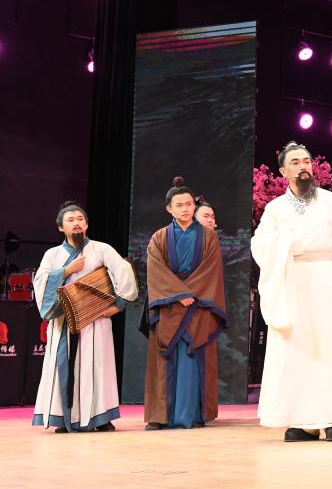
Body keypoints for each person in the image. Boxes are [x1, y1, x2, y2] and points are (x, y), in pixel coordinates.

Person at [252, 142, 332, 442]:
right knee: (294, 348)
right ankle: (301, 421)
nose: (303, 167)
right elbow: (259, 244)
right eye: (295, 162)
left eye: (307, 161)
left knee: (326, 345)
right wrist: (286, 243)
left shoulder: (331, 202)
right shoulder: (275, 209)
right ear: (283, 171)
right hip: (291, 278)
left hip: (324, 276)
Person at [32, 202, 138, 432]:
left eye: (80, 219)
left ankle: (101, 417)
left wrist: (119, 304)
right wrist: (66, 271)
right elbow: (40, 283)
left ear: (87, 224)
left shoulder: (101, 249)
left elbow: (123, 271)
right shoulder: (52, 255)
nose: (77, 223)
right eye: (70, 220)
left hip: (95, 320)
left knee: (97, 367)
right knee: (62, 367)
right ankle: (63, 418)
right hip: (62, 322)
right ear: (61, 227)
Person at [143, 177, 227, 430]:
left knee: (194, 353)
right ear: (169, 208)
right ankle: (161, 416)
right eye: (179, 205)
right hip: (169, 304)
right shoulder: (159, 238)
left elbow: (211, 270)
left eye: (189, 204)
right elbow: (155, 270)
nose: (185, 209)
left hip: (198, 304)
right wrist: (179, 294)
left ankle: (192, 413)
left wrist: (190, 294)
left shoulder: (209, 238)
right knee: (164, 358)